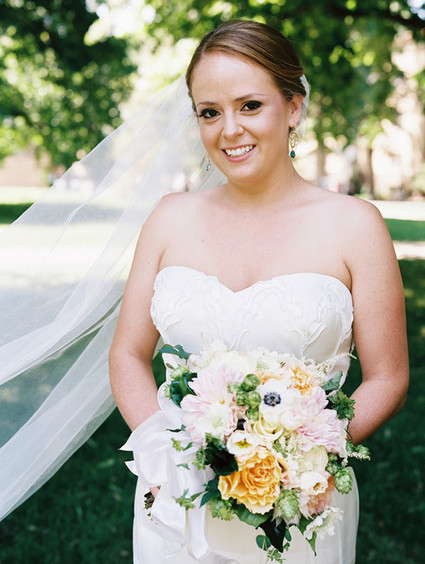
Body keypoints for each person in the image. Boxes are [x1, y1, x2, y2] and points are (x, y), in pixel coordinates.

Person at [108, 20, 409, 564]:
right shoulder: (169, 219)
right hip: (177, 503)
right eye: (209, 112)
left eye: (250, 105)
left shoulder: (356, 225)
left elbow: (388, 377)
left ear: (293, 106)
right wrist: (165, 455)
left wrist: (303, 456)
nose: (229, 130)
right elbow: (128, 353)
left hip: (302, 508)